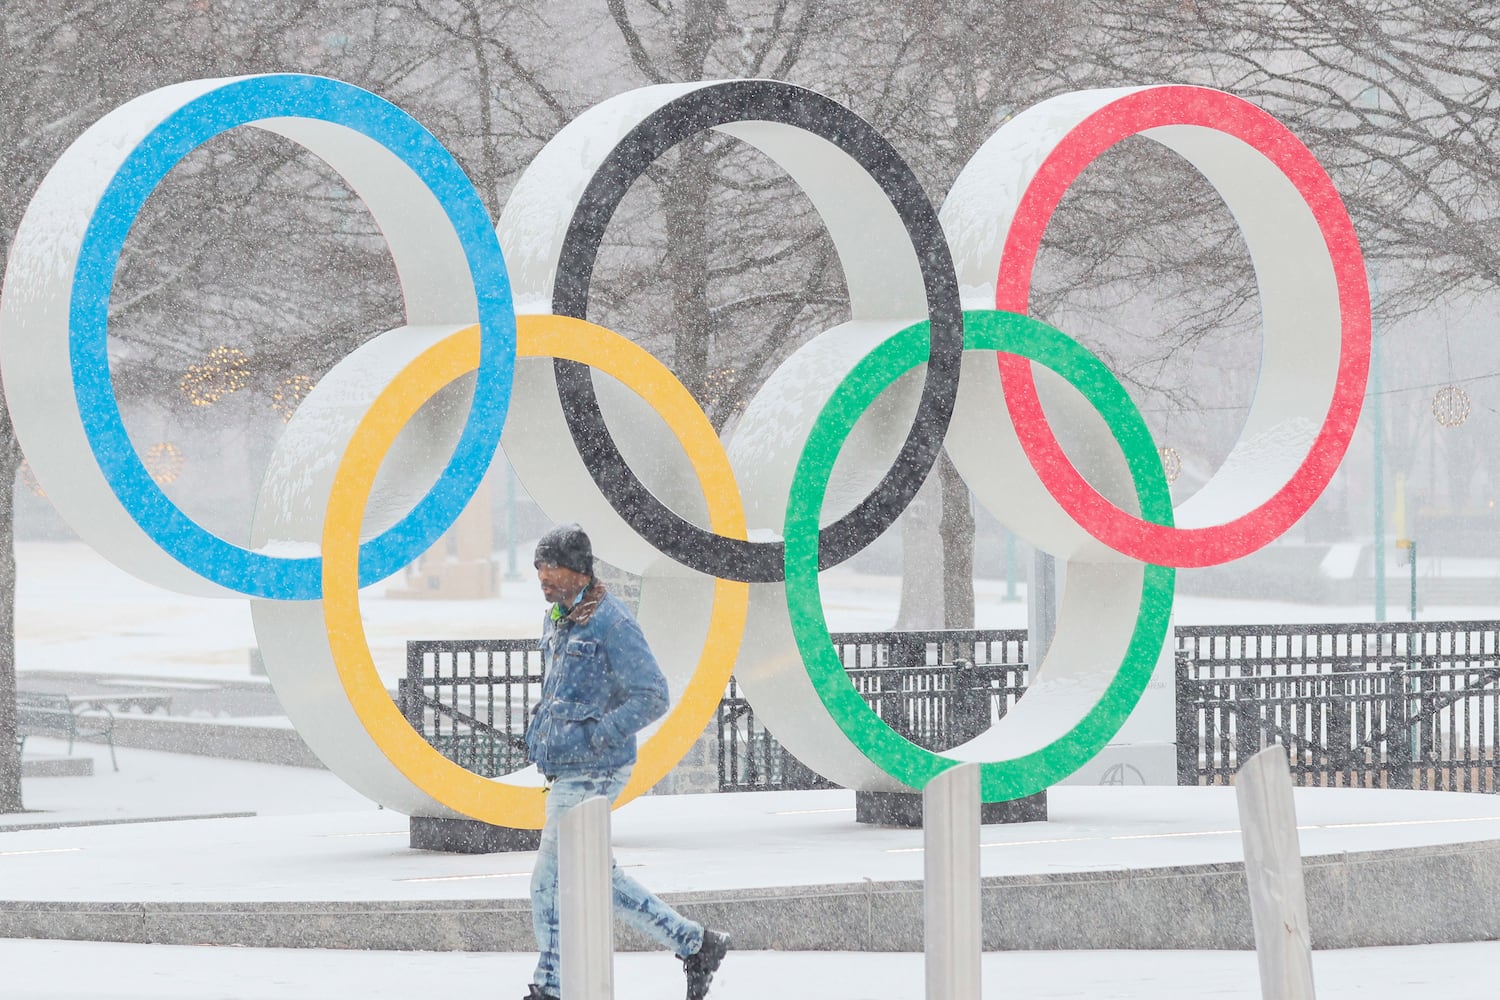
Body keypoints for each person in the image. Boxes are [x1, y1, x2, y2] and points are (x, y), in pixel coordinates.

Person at [523, 522, 729, 1000]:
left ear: (578, 570)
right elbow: (559, 690)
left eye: (550, 567)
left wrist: (600, 734)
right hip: (568, 769)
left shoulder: (612, 623)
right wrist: (540, 735)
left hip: (596, 769)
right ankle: (696, 944)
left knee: (547, 883)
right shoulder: (559, 617)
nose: (542, 577)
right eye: (538, 568)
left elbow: (653, 694)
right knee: (597, 876)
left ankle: (550, 987)